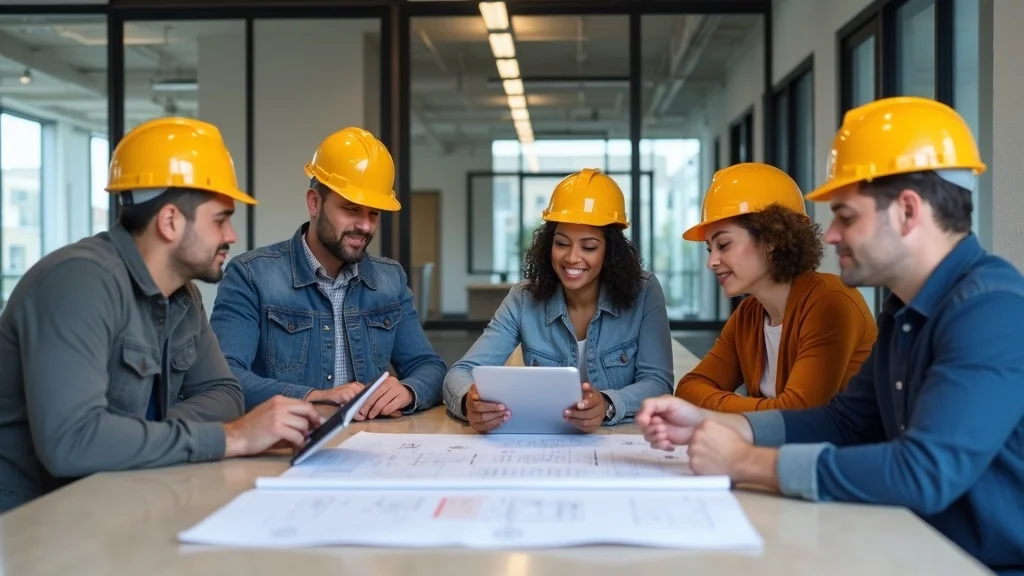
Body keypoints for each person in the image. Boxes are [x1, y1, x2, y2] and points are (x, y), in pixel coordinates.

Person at [636, 96, 1024, 575]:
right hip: (906, 545)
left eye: (846, 215)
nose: (832, 234)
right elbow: (845, 422)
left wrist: (747, 462)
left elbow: (923, 472)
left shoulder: (990, 309)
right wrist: (715, 425)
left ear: (907, 211)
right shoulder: (903, 311)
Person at [0, 117, 325, 513]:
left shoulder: (182, 294)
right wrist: (233, 438)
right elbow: (73, 443)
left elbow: (225, 395)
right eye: (220, 220)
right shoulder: (79, 282)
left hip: (118, 501)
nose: (231, 237)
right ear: (170, 221)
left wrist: (138, 435)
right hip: (34, 526)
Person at [209, 126, 447, 420]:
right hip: (286, 449)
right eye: (351, 209)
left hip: (370, 446)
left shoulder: (390, 279)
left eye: (373, 213)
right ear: (314, 202)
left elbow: (431, 367)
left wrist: (409, 391)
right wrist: (313, 398)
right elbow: (224, 378)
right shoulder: (251, 276)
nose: (365, 226)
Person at [443, 168, 673, 433]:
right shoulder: (522, 299)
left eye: (589, 247)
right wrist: (467, 403)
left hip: (620, 440)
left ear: (611, 251)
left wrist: (609, 404)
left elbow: (658, 382)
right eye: (562, 243)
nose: (572, 258)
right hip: (545, 440)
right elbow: (461, 372)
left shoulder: (643, 293)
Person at [674, 162, 876, 411]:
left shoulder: (831, 300)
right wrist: (765, 408)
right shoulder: (749, 314)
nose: (711, 261)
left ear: (771, 239)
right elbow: (688, 388)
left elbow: (797, 414)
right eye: (709, 249)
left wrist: (724, 409)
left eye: (723, 244)